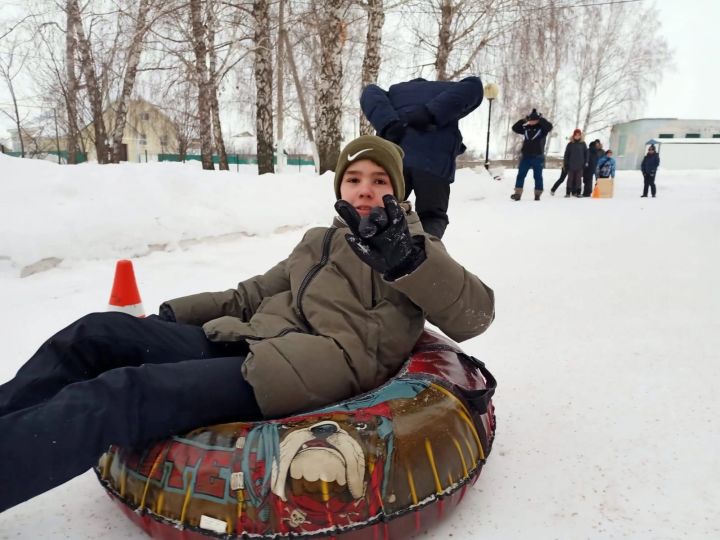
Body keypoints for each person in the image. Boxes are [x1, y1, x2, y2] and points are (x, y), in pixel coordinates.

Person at [0, 135, 495, 513]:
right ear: (340, 186)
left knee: (121, 393)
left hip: (306, 369)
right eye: (354, 179)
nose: (365, 190)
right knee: (97, 332)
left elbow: (474, 313)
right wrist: (175, 314)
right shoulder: (319, 239)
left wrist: (409, 263)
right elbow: (251, 294)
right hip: (257, 343)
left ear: (398, 191)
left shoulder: (412, 248)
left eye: (380, 181)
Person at [360, 76, 484, 239]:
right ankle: (424, 253)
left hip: (394, 162)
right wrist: (431, 113)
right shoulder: (444, 89)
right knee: (432, 215)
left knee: (381, 210)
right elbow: (474, 86)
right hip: (434, 164)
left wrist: (388, 123)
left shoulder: (394, 93)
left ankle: (374, 252)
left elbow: (369, 92)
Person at [510, 108, 553, 201]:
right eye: (530, 120)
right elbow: (514, 128)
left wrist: (541, 119)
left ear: (537, 120)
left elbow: (550, 127)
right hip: (525, 157)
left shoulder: (542, 130)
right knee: (520, 175)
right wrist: (524, 120)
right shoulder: (526, 128)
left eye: (534, 120)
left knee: (537, 176)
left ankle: (537, 194)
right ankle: (517, 193)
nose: (531, 122)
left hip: (538, 157)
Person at [563, 129, 588, 198]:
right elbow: (566, 155)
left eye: (578, 135)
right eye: (576, 135)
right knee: (570, 179)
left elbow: (586, 154)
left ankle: (578, 193)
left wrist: (586, 162)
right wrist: (566, 164)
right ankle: (568, 193)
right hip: (571, 165)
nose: (577, 136)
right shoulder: (570, 144)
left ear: (580, 136)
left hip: (580, 165)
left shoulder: (583, 144)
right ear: (573, 136)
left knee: (578, 180)